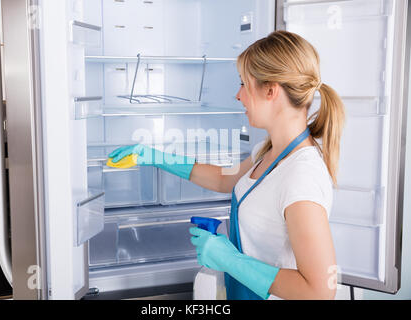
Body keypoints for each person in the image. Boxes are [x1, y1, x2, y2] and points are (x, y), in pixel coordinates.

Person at [108, 30, 345, 300]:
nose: (238, 95)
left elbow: (319, 292)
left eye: (244, 83)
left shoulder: (302, 176)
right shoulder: (268, 152)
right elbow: (224, 178)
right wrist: (155, 156)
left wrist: (229, 259)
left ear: (271, 90)